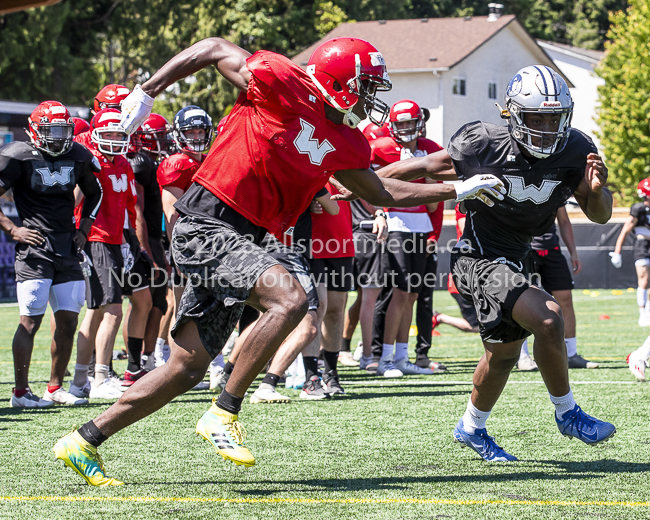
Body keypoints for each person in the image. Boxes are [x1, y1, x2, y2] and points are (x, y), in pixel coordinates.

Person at [53, 36, 501, 485]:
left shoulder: (346, 140)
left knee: (187, 366)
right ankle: (223, 412)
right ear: (340, 81)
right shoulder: (282, 82)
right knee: (290, 298)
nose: (371, 97)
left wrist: (458, 189)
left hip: (242, 238)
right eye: (366, 85)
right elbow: (211, 48)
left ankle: (84, 439)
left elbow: (382, 191)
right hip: (206, 221)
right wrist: (147, 91)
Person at [378, 65, 616, 461]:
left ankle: (471, 428)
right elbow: (422, 168)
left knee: (503, 354)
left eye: (553, 119)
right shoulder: (483, 144)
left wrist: (596, 189)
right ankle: (568, 413)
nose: (544, 128)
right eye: (535, 118)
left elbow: (601, 215)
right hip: (476, 258)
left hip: (517, 259)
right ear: (513, 115)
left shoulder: (575, 148)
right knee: (549, 318)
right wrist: (361, 182)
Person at [1, 101, 102, 408]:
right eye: (51, 130)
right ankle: (20, 392)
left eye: (63, 130)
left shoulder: (78, 156)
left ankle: (55, 387)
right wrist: (12, 230)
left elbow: (95, 192)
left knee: (69, 320)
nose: (58, 137)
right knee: (30, 320)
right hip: (34, 248)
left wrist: (84, 229)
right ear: (35, 130)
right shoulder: (18, 156)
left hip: (67, 247)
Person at [370, 100, 444, 377]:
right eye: (400, 123)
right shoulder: (379, 149)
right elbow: (367, 186)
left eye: (409, 123)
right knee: (400, 293)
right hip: (396, 223)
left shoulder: (432, 149)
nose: (405, 129)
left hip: (421, 224)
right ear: (391, 125)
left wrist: (430, 180)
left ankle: (401, 357)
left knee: (412, 294)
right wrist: (380, 212)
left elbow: (435, 204)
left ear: (419, 123)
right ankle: (385, 359)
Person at [71, 108, 138, 400]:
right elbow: (74, 202)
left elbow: (128, 206)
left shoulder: (123, 163)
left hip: (114, 240)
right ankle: (99, 377)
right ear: (96, 134)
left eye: (118, 133)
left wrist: (129, 239)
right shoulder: (90, 162)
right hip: (95, 238)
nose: (113, 139)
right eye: (107, 133)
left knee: (98, 310)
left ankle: (79, 380)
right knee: (112, 309)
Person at [518, 205, 598, 371]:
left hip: (552, 251)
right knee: (521, 301)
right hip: (525, 250)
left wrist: (573, 252)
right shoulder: (519, 181)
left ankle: (571, 354)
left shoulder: (554, 184)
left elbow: (563, 221)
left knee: (565, 298)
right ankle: (522, 356)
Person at [610, 178, 650, 326]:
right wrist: (617, 251)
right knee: (644, 280)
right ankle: (642, 312)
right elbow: (626, 230)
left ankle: (648, 311)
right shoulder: (638, 209)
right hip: (642, 245)